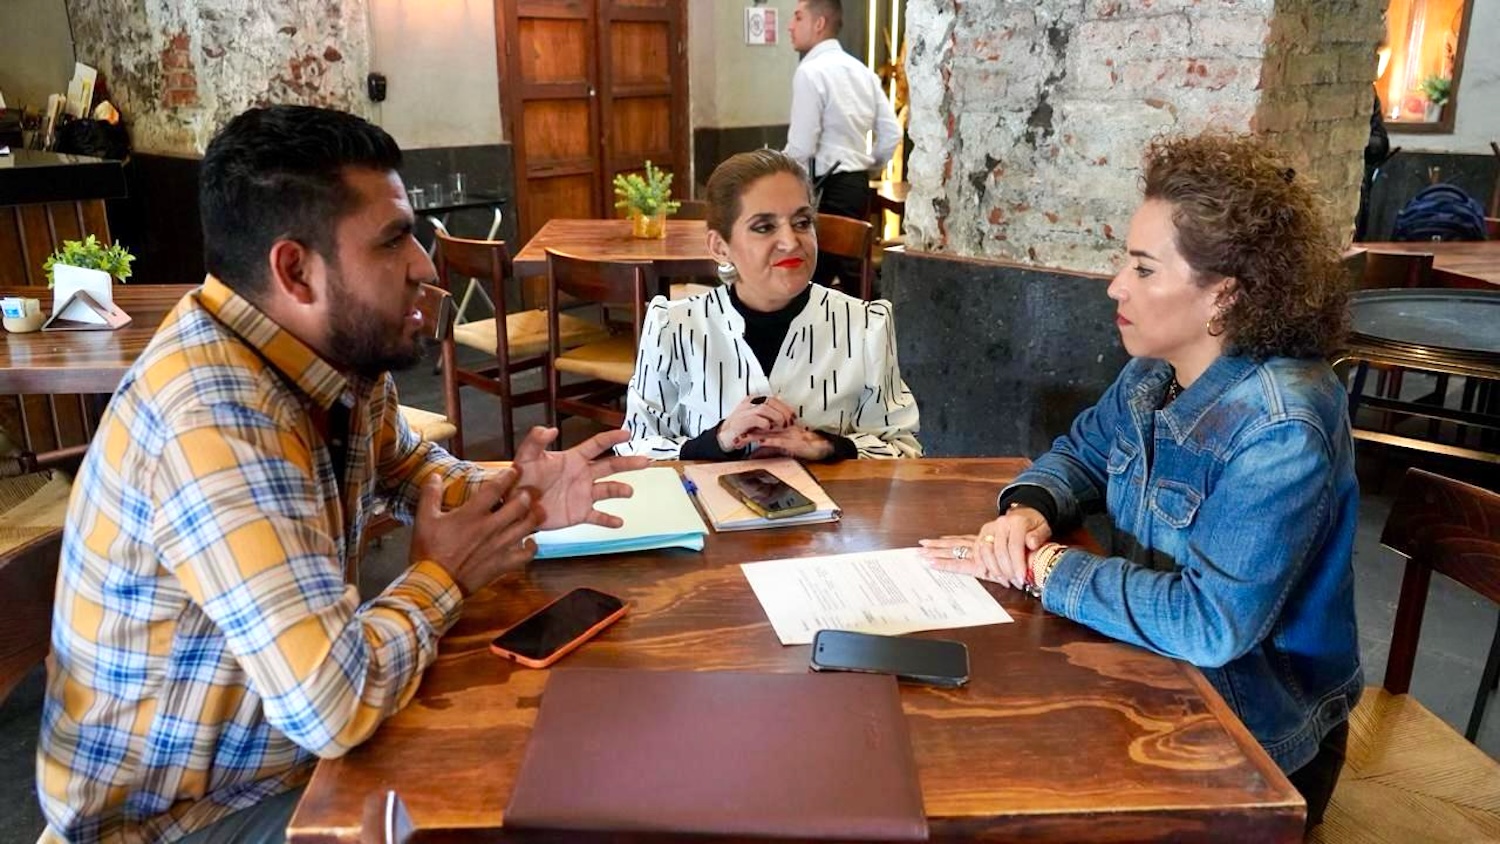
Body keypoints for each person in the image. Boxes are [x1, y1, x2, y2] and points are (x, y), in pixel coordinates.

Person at [36, 105, 648, 843]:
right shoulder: (215, 419)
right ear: (296, 270)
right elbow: (332, 703)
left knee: (570, 753)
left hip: (281, 757)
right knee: (543, 793)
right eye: (393, 240)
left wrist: (515, 498)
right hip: (178, 819)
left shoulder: (331, 358)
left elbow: (412, 467)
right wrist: (443, 577)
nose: (426, 265)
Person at [919, 133, 1360, 830]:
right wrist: (1029, 510)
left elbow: (1209, 625)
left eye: (1144, 269)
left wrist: (1043, 567)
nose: (1115, 285)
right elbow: (1082, 453)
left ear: (1224, 296)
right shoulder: (1155, 372)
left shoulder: (1281, 427)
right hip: (1149, 672)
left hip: (1253, 734)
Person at [618, 149, 921, 461]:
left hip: (831, 496)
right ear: (720, 247)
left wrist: (829, 447)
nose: (791, 241)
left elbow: (903, 451)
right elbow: (635, 450)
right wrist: (717, 441)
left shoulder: (865, 326)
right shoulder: (673, 328)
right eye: (763, 227)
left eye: (802, 222)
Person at [784, 0, 899, 288]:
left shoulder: (811, 71)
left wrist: (772, 173)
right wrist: (867, 167)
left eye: (798, 17)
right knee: (846, 274)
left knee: (827, 277)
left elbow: (801, 147)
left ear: (819, 23)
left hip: (828, 187)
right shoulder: (862, 71)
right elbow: (891, 133)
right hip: (856, 185)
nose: (790, 26)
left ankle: (884, 314)